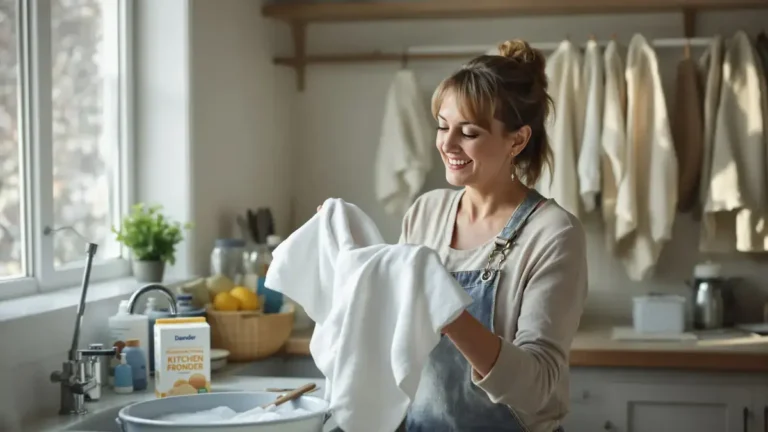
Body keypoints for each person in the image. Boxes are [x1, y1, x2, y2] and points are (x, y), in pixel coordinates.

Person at [321, 39, 588, 432]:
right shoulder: (426, 212)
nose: (447, 144)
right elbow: (395, 336)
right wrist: (355, 258)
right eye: (443, 126)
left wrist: (447, 310)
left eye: (469, 132)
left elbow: (537, 386)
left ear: (516, 140)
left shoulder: (553, 233)